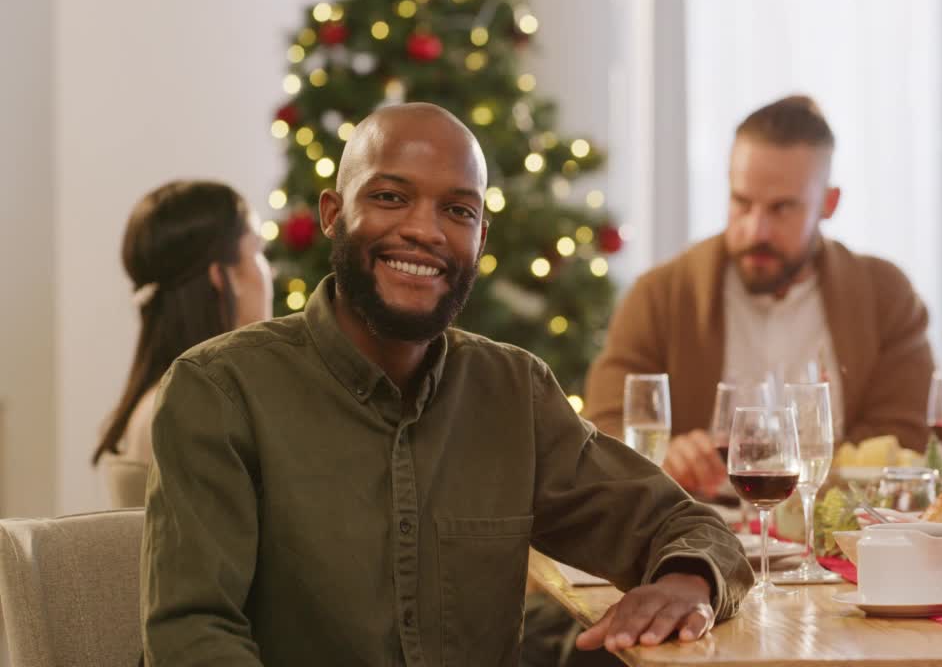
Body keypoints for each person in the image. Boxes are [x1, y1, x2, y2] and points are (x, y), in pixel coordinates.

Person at [140, 103, 753, 666]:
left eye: (458, 210)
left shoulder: (514, 393)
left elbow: (689, 525)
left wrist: (686, 582)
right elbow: (193, 637)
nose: (425, 231)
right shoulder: (218, 391)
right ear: (333, 214)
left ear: (480, 238)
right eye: (389, 196)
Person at [583, 95, 935, 497]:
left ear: (828, 203)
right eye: (742, 202)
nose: (756, 231)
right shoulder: (661, 295)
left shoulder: (884, 296)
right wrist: (666, 456)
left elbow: (906, 433)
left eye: (782, 208)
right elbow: (604, 425)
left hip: (835, 534)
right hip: (696, 535)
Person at [91, 180, 272, 508]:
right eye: (258, 250)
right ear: (223, 276)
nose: (268, 271)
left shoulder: (155, 401)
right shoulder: (194, 409)